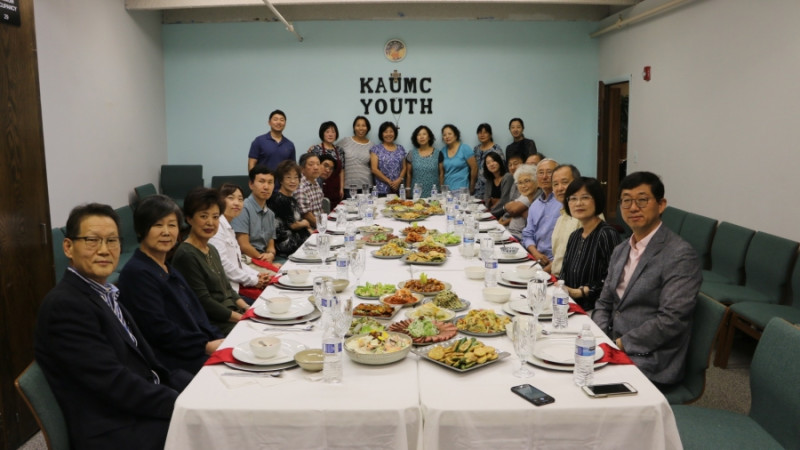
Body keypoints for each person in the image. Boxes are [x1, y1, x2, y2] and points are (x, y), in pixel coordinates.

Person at [35, 203, 192, 450]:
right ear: (68, 247)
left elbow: (146, 362)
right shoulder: (65, 306)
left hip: (137, 407)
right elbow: (113, 384)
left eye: (112, 241)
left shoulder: (105, 292)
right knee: (220, 432)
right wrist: (181, 403)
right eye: (92, 240)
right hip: (115, 428)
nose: (104, 250)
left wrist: (191, 389)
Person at [592, 171, 702, 387]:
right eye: (626, 201)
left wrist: (618, 344)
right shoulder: (621, 249)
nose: (633, 208)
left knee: (583, 384)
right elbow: (604, 302)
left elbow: (671, 320)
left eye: (642, 200)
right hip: (612, 341)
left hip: (650, 356)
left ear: (661, 205)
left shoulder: (679, 254)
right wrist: (600, 336)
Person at [118, 195, 225, 374]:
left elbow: (197, 314)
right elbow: (158, 331)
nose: (166, 232)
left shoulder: (167, 267)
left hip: (196, 348)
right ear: (141, 230)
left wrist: (218, 339)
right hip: (175, 362)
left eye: (172, 225)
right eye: (158, 225)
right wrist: (205, 346)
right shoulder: (137, 273)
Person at [173, 188, 250, 335]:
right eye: (203, 216)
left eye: (215, 217)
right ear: (189, 218)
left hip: (231, 314)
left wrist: (247, 309)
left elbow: (227, 288)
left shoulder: (211, 249)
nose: (210, 223)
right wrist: (242, 319)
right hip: (213, 324)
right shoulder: (186, 254)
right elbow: (204, 302)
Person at [560, 178, 622, 311]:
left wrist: (581, 292)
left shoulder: (607, 234)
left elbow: (615, 276)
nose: (578, 203)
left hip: (596, 308)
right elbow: (564, 272)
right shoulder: (575, 235)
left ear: (597, 200)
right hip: (570, 304)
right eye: (573, 198)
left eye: (585, 197)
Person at [208, 183, 273, 296]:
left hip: (238, 283)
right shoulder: (217, 227)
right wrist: (253, 280)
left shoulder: (228, 226)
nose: (237, 203)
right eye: (231, 198)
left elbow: (237, 263)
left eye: (240, 199)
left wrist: (257, 274)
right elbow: (223, 265)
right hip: (228, 291)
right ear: (219, 201)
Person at [232, 165, 279, 265]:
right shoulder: (242, 208)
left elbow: (271, 245)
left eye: (270, 182)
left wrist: (271, 254)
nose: (266, 187)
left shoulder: (270, 214)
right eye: (261, 181)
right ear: (251, 184)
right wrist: (264, 261)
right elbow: (243, 246)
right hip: (246, 261)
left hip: (263, 260)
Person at [269, 160, 313, 256]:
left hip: (297, 238)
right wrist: (306, 223)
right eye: (288, 177)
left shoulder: (292, 199)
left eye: (296, 177)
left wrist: (308, 228)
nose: (293, 181)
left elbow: (298, 221)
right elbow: (293, 225)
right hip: (286, 243)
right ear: (281, 180)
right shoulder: (279, 199)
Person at [521, 158, 560, 265]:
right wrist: (535, 253)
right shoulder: (535, 205)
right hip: (536, 258)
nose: (544, 176)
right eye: (541, 173)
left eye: (549, 172)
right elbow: (527, 235)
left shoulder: (564, 203)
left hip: (557, 262)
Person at [548, 164, 582, 276]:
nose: (560, 188)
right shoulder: (562, 217)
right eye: (555, 184)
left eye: (565, 182)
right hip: (556, 278)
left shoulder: (585, 215)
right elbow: (558, 259)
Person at [308, 121, 345, 208]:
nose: (330, 134)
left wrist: (341, 188)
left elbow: (342, 170)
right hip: (320, 186)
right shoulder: (316, 149)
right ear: (322, 133)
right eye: (327, 132)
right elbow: (311, 171)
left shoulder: (339, 150)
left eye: (333, 132)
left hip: (336, 188)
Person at [499, 164, 538, 241]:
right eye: (520, 182)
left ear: (536, 182)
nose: (523, 186)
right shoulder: (525, 195)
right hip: (511, 232)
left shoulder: (539, 199)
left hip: (520, 238)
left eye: (527, 181)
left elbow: (514, 210)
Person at [337, 115, 373, 196]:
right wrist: (315, 148)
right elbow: (331, 149)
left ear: (367, 128)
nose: (361, 128)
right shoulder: (345, 141)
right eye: (358, 125)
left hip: (366, 186)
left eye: (363, 125)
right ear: (354, 127)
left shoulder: (372, 145)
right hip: (348, 186)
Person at [370, 121, 407, 196]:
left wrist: (399, 180)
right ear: (381, 134)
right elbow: (374, 169)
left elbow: (404, 167)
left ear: (395, 133)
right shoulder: (376, 149)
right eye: (385, 132)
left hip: (398, 189)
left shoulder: (400, 148)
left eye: (391, 131)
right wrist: (389, 182)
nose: (388, 134)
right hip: (381, 190)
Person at [439, 124, 478, 193]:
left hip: (462, 190)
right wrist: (442, 189)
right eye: (444, 135)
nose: (447, 136)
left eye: (449, 134)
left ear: (456, 135)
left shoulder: (465, 148)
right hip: (447, 191)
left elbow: (474, 168)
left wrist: (472, 187)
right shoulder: (442, 151)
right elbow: (441, 172)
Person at [405, 125, 442, 197]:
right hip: (416, 194)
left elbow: (441, 174)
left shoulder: (438, 153)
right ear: (416, 138)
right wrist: (408, 191)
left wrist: (441, 191)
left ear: (429, 137)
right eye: (419, 135)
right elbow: (408, 174)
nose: (421, 137)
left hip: (434, 193)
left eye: (424, 134)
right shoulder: (411, 153)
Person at [473, 123, 505, 200]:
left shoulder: (496, 148)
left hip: (491, 185)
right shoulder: (476, 149)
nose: (482, 135)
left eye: (485, 132)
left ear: (490, 134)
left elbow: (502, 166)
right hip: (478, 187)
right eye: (480, 132)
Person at [294, 152, 324, 227]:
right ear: (302, 169)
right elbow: (306, 215)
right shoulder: (300, 186)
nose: (316, 167)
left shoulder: (315, 182)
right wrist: (322, 226)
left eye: (318, 164)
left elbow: (320, 209)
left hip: (319, 224)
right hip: (309, 228)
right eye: (311, 164)